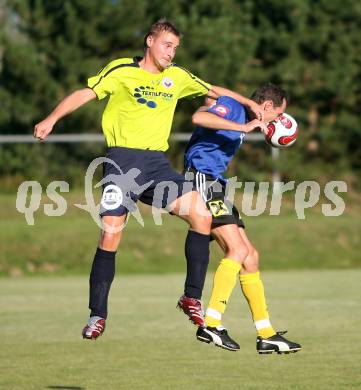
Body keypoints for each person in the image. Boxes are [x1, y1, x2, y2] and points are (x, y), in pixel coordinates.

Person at [34, 19, 265, 340]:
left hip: (157, 165)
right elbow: (85, 93)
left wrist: (251, 104)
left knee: (201, 213)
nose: (171, 53)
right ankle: (97, 314)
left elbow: (214, 90)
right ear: (150, 41)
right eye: (167, 45)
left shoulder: (178, 77)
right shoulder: (122, 70)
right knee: (111, 234)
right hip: (122, 162)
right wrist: (51, 118)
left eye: (175, 48)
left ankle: (191, 297)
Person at [183, 83, 302, 354]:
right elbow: (199, 117)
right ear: (268, 106)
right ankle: (210, 323)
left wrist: (221, 108)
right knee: (237, 250)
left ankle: (266, 334)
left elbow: (207, 98)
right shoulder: (237, 110)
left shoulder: (242, 111)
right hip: (201, 179)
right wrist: (245, 126)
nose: (277, 122)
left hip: (216, 185)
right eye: (278, 115)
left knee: (250, 256)